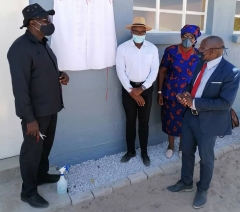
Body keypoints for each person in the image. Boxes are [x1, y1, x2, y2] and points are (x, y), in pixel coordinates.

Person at [7, 3, 69, 208]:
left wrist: (61, 76)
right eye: (45, 19)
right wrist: (29, 119)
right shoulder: (19, 49)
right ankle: (28, 191)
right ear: (33, 23)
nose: (49, 22)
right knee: (31, 152)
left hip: (51, 108)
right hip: (36, 114)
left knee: (45, 148)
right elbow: (20, 87)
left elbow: (43, 72)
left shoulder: (43, 43)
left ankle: (41, 176)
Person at [167, 36, 240, 209]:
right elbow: (192, 85)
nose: (198, 51)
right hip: (189, 117)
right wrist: (184, 95)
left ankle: (203, 189)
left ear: (214, 51)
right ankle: (186, 182)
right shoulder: (201, 64)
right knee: (187, 152)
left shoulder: (231, 72)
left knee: (206, 158)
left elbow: (225, 103)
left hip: (209, 123)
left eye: (202, 49)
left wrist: (194, 102)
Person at [116, 17, 159, 166]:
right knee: (130, 121)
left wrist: (141, 89)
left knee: (144, 123)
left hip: (145, 89)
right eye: (136, 31)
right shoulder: (123, 48)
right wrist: (132, 91)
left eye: (142, 32)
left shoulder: (152, 48)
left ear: (146, 32)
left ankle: (144, 153)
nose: (139, 34)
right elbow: (120, 71)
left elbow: (154, 71)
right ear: (131, 31)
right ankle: (130, 151)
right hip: (128, 89)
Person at [158, 25, 201, 159]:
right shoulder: (171, 51)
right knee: (170, 120)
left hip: (188, 95)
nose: (187, 39)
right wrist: (159, 92)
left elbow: (199, 75)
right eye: (185, 36)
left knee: (185, 121)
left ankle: (182, 147)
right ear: (181, 36)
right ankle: (170, 146)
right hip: (170, 93)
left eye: (191, 37)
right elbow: (162, 71)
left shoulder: (199, 55)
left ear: (195, 39)